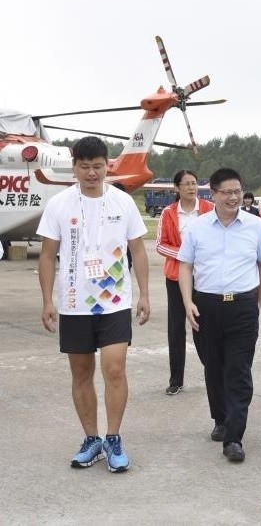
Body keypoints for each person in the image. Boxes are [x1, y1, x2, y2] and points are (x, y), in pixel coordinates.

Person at [37, 136, 150, 473]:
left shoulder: (122, 203)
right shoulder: (59, 204)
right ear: (74, 167)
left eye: (97, 166)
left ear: (107, 165)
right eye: (84, 167)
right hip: (74, 303)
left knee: (114, 368)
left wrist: (144, 293)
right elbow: (46, 255)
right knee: (81, 372)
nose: (91, 173)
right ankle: (92, 440)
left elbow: (139, 250)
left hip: (114, 300)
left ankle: (113, 438)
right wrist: (47, 300)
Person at [177, 168, 261, 463]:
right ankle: (220, 419)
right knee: (213, 366)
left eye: (238, 192)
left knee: (239, 371)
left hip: (242, 307)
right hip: (207, 307)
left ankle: (234, 436)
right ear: (213, 194)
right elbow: (185, 266)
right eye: (227, 192)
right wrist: (187, 302)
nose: (234, 197)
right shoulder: (198, 227)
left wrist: (257, 302)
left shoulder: (255, 226)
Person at [156, 170, 215, 396]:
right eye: (187, 184)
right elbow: (161, 244)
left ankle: (212, 372)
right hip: (176, 277)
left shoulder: (209, 209)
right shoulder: (168, 213)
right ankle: (176, 379)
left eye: (194, 183)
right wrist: (185, 255)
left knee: (204, 327)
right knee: (176, 328)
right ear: (176, 188)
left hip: (204, 278)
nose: (192, 187)